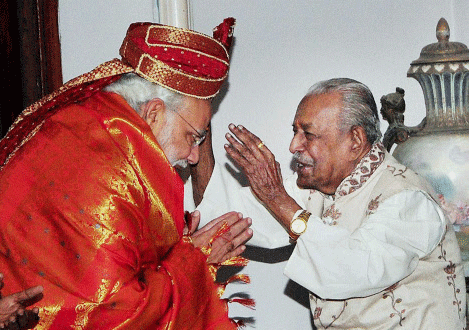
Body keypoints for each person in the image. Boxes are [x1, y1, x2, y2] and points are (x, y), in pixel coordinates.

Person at [0, 18, 254, 329]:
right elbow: (118, 315)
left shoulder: (86, 126)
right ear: (155, 113)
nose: (193, 155)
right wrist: (195, 264)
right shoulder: (108, 177)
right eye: (193, 137)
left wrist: (178, 249)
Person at [189, 78, 466, 329]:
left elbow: (350, 269)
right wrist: (200, 123)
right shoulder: (320, 189)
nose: (293, 145)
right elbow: (223, 219)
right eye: (295, 132)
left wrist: (276, 197)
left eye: (308, 134)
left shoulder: (408, 200)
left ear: (355, 141)